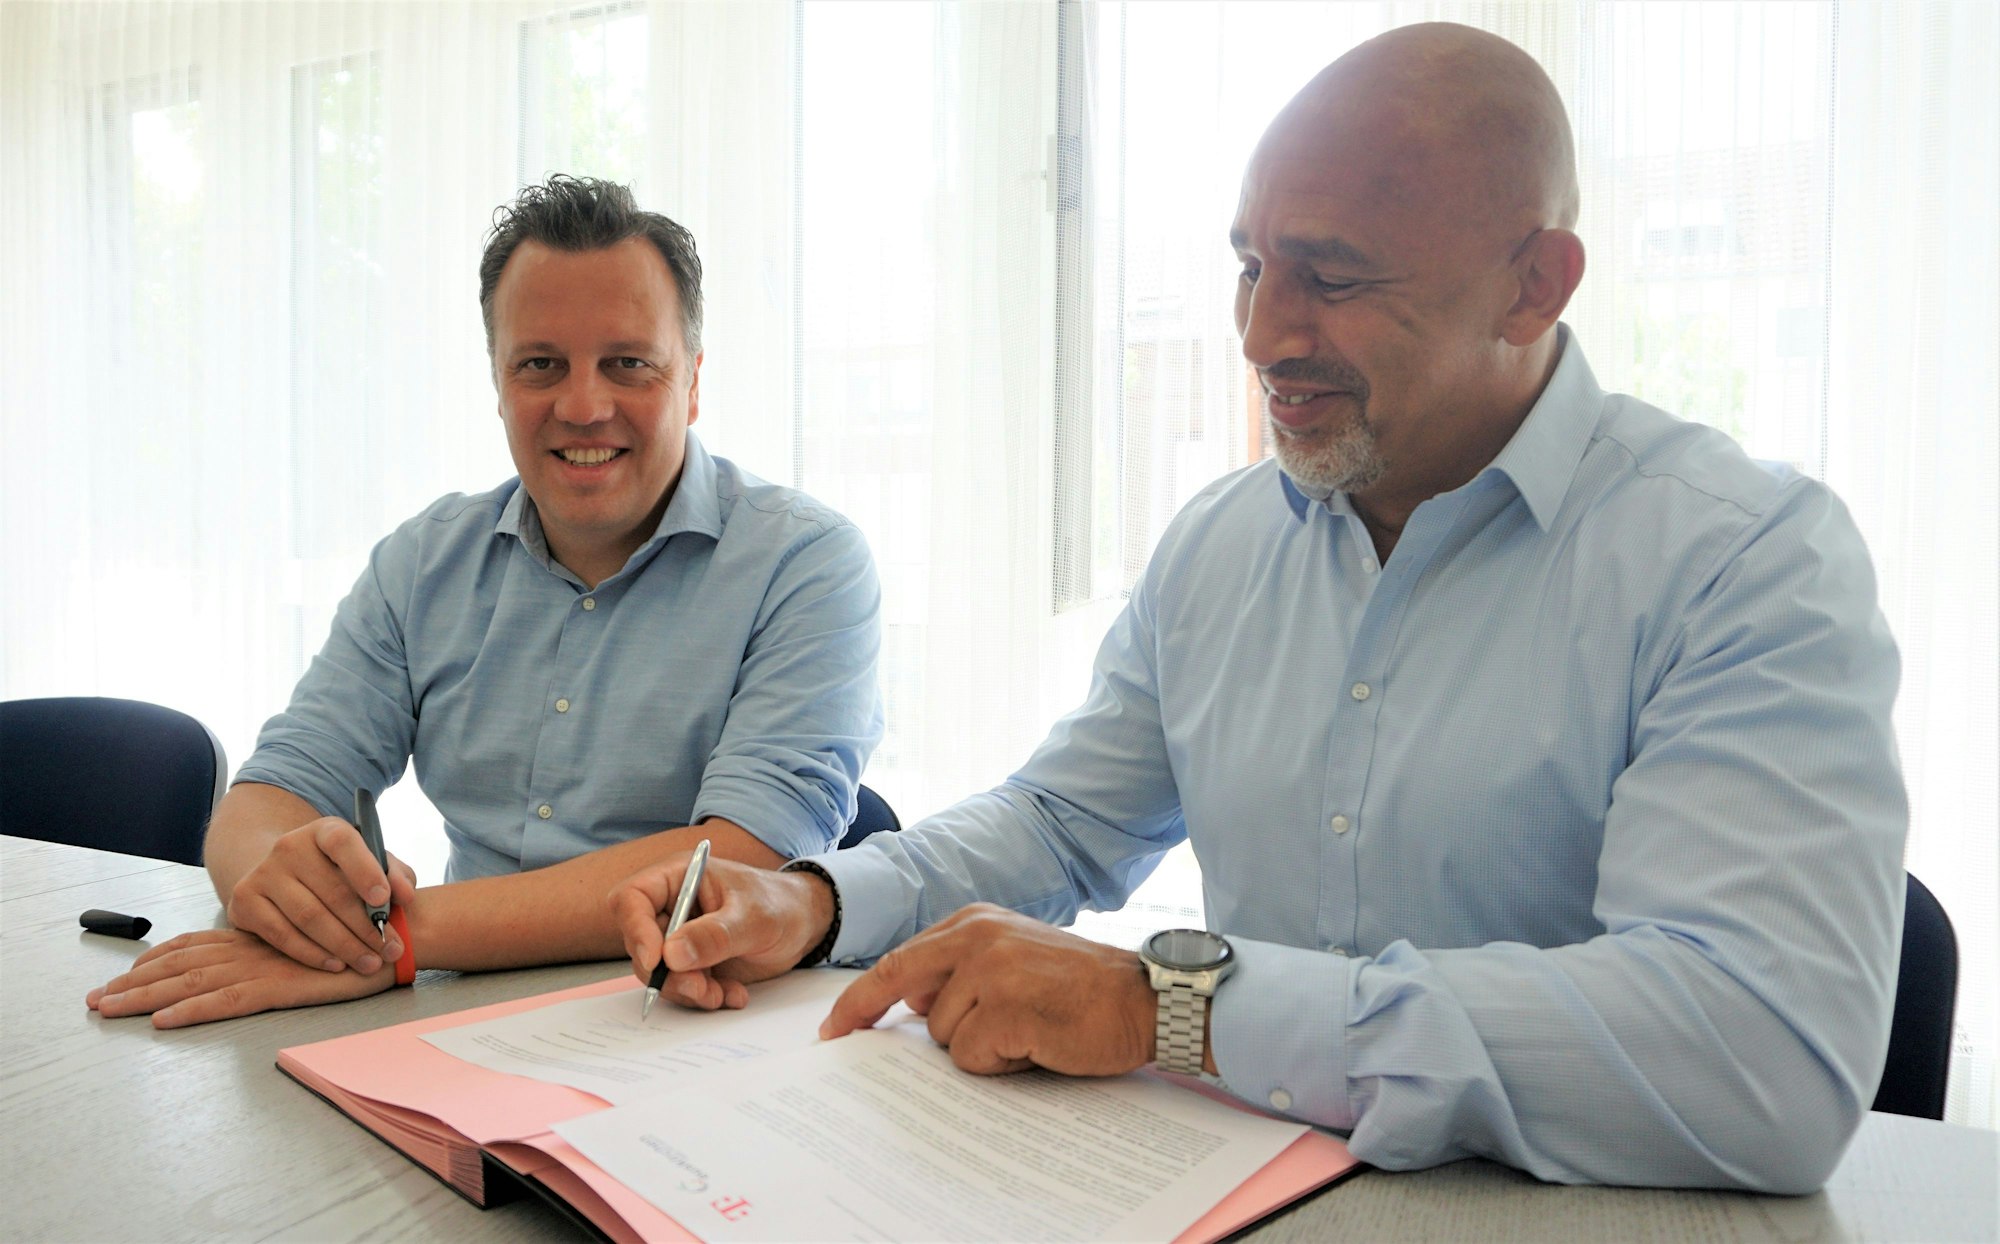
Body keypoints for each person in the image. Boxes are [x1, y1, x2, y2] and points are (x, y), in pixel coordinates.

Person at [608, 24, 1905, 1193]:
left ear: (1535, 284)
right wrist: (820, 903)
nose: (1262, 333)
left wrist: (1172, 1010)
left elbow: (1760, 1062)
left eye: (1332, 280)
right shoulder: (1224, 545)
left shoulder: (1746, 562)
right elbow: (1060, 823)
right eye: (1248, 265)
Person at [88, 176, 883, 1028]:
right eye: (541, 364)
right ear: (498, 384)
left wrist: (394, 938)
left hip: (698, 1019)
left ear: (691, 381)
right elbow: (274, 790)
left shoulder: (807, 561)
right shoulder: (423, 562)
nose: (583, 406)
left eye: (629, 363)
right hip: (455, 1014)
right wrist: (278, 893)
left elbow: (737, 864)